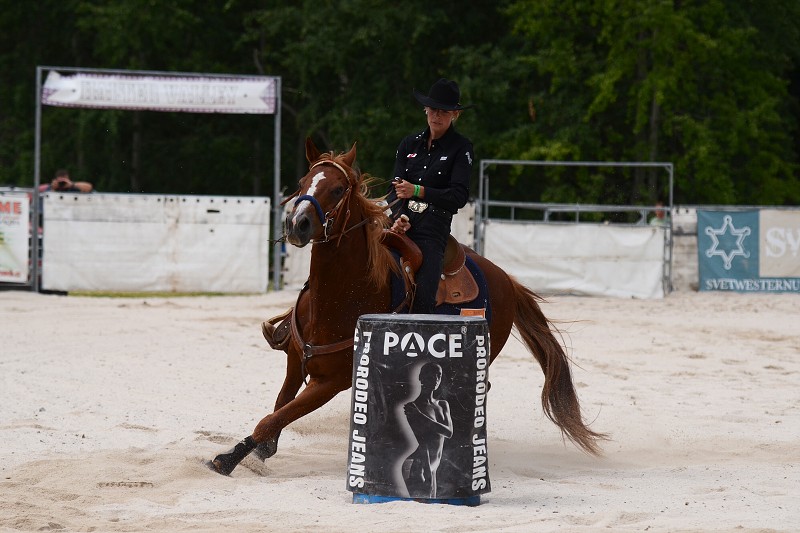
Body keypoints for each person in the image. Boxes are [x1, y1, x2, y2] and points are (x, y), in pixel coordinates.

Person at [387, 78, 474, 313]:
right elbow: (393, 188)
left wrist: (418, 191)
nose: (437, 116)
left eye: (444, 112)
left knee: (425, 291)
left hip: (433, 227)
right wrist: (399, 216)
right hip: (399, 221)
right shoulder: (409, 144)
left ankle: (421, 324)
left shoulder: (461, 148)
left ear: (454, 115)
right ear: (425, 110)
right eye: (433, 109)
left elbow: (458, 196)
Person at [402, 362, 453, 498]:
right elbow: (423, 437)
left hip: (432, 465)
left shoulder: (442, 405)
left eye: (439, 375)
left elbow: (449, 432)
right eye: (431, 374)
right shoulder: (413, 406)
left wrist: (420, 416)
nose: (436, 379)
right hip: (419, 463)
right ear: (421, 377)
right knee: (422, 504)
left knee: (429, 502)